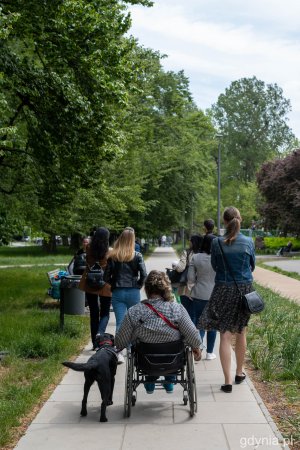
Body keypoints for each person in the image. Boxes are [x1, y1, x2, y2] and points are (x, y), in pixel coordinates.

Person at [115, 270, 203, 393]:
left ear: (147, 289)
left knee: (143, 348)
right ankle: (169, 379)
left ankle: (150, 381)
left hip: (145, 362)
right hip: (174, 361)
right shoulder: (176, 309)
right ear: (166, 288)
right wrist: (197, 347)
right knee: (176, 344)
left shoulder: (134, 311)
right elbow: (192, 333)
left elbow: (120, 341)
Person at [198, 206, 255, 393]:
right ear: (240, 219)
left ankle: (227, 381)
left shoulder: (217, 243)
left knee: (224, 334)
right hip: (243, 290)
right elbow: (251, 266)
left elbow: (215, 265)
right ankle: (239, 373)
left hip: (222, 289)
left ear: (224, 221)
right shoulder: (248, 242)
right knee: (241, 332)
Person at [104, 227, 147, 362]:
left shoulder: (113, 256)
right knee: (135, 322)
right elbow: (144, 274)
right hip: (133, 291)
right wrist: (138, 285)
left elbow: (105, 277)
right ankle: (132, 349)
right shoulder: (137, 255)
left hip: (118, 292)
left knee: (120, 323)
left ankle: (119, 352)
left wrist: (114, 284)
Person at [79, 227, 112, 350]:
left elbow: (87, 260)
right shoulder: (109, 252)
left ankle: (94, 343)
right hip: (105, 283)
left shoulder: (88, 248)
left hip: (90, 282)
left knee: (93, 312)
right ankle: (100, 333)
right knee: (105, 313)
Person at [187, 234, 217, 360]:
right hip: (215, 294)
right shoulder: (218, 258)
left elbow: (190, 278)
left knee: (200, 323)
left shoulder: (195, 257)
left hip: (199, 294)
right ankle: (210, 353)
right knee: (213, 324)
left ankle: (198, 348)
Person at [173, 234, 202, 304]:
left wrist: (175, 266)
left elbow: (181, 268)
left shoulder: (187, 252)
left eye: (190, 241)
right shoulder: (204, 254)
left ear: (193, 242)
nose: (189, 242)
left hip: (186, 287)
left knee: (186, 310)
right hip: (201, 287)